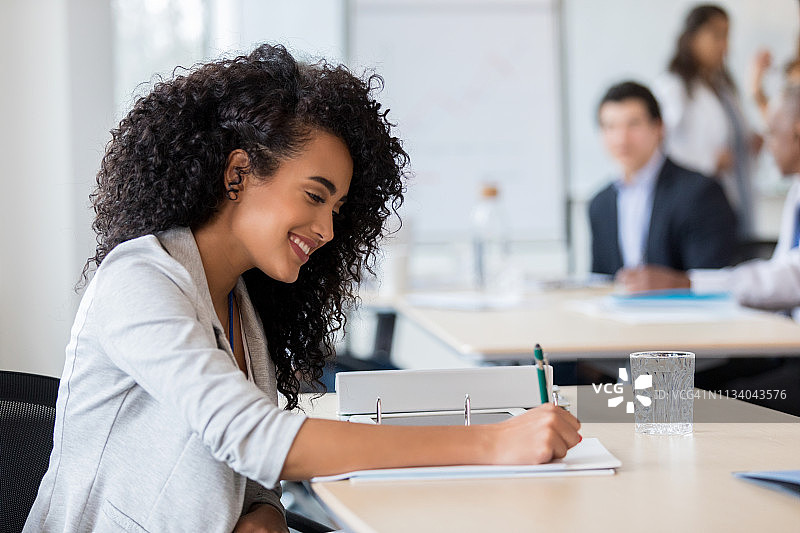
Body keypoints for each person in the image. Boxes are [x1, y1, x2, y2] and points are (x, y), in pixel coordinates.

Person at [23, 45, 581, 532]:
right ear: (237, 174)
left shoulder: (239, 304)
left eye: (336, 208)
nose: (328, 229)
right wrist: (491, 442)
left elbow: (246, 472)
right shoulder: (139, 279)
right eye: (315, 196)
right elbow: (255, 437)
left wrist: (266, 512)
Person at [618, 83, 800, 315]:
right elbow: (781, 272)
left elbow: (793, 278)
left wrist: (686, 283)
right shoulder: (796, 191)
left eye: (772, 133)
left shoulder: (698, 192)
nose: (766, 145)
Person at [589, 81, 737, 276]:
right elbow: (600, 281)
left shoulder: (701, 192)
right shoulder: (600, 204)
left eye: (633, 124)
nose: (621, 139)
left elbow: (712, 280)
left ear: (658, 127)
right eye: (610, 127)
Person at [653, 4, 762, 238]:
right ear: (692, 37)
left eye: (727, 36)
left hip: (736, 198)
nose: (724, 46)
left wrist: (749, 143)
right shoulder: (674, 87)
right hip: (699, 205)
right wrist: (708, 161)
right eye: (716, 35)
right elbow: (657, 146)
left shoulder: (722, 87)